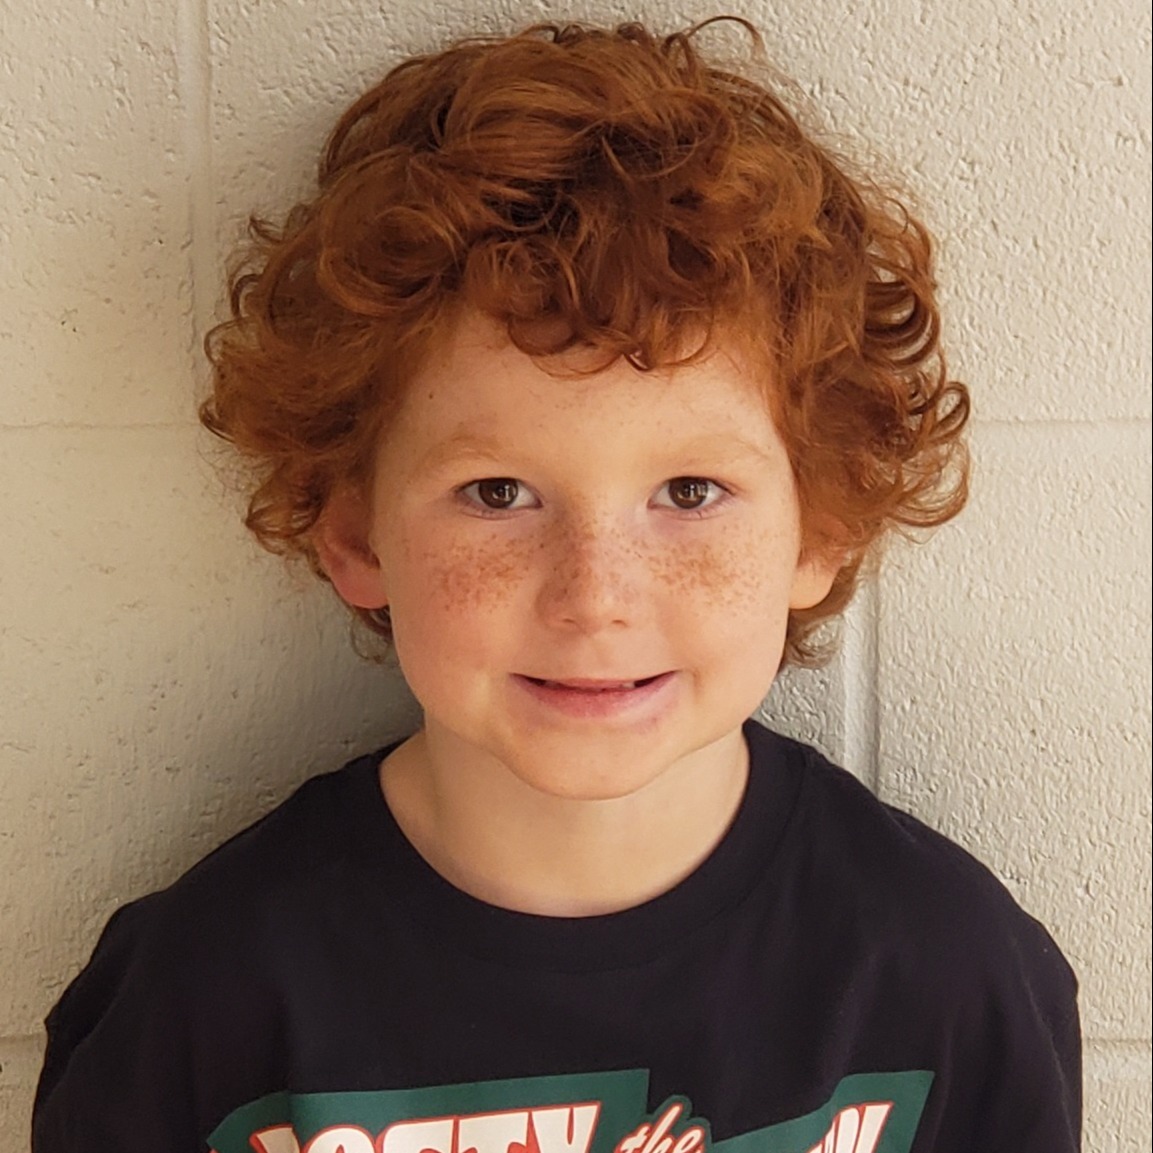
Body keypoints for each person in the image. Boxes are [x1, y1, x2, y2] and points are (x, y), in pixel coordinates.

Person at [32, 19, 1080, 1152]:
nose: (595, 594)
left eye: (687, 491)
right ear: (354, 534)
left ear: (819, 531)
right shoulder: (201, 1000)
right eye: (496, 493)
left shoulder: (951, 979)